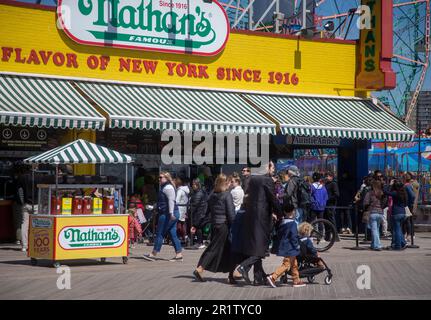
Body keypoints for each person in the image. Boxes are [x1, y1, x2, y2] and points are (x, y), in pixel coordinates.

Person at [236, 162, 281, 286]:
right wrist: (280, 213)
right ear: (267, 167)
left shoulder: (252, 179)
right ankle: (244, 267)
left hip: (251, 215)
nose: (274, 169)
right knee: (262, 247)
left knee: (257, 246)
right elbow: (273, 199)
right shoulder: (267, 180)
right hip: (262, 217)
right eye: (272, 167)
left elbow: (248, 195)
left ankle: (258, 278)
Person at [193, 174, 236, 282]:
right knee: (215, 249)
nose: (230, 184)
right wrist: (235, 226)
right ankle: (200, 268)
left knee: (229, 251)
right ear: (225, 183)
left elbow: (206, 212)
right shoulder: (227, 195)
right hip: (224, 226)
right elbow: (231, 214)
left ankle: (231, 276)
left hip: (215, 225)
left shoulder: (212, 195)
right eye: (229, 182)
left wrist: (197, 224)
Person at [143, 172, 183, 262]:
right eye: (159, 177)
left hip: (167, 214)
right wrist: (153, 207)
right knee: (172, 234)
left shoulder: (168, 187)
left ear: (167, 178)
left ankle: (153, 253)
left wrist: (171, 213)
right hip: (170, 213)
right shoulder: (165, 187)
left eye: (161, 177)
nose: (159, 179)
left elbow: (171, 201)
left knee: (160, 233)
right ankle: (179, 254)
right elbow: (163, 202)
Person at [266, 203, 306, 288]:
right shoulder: (293, 224)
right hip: (290, 248)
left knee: (294, 263)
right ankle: (273, 277)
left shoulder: (283, 222)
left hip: (285, 246)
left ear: (284, 211)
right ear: (293, 212)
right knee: (287, 264)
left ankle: (296, 280)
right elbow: (293, 236)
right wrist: (297, 246)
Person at [384, 179, 408, 250]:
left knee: (397, 230)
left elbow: (386, 192)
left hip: (396, 213)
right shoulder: (404, 193)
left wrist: (389, 185)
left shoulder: (395, 193)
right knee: (399, 229)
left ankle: (398, 246)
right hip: (403, 213)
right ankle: (403, 243)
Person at [363, 179, 385, 251]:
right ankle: (373, 244)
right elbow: (385, 202)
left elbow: (365, 202)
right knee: (377, 229)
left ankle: (377, 245)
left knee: (374, 230)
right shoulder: (382, 193)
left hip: (372, 212)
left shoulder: (370, 193)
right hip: (380, 213)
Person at [189, 179, 209, 249]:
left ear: (197, 185)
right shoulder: (199, 192)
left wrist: (190, 211)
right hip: (200, 212)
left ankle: (199, 242)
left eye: (193, 184)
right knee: (198, 227)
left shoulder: (199, 193)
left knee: (198, 227)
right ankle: (199, 242)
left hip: (199, 212)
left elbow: (195, 205)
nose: (192, 185)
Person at [324, 172, 340, 241]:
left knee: (331, 220)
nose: (326, 177)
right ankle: (327, 236)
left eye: (327, 176)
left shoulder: (333, 184)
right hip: (325, 205)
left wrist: (328, 198)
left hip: (331, 205)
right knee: (326, 220)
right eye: (325, 176)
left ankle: (335, 236)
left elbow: (337, 194)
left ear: (331, 177)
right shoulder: (326, 184)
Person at [175, 177, 190, 244]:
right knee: (183, 224)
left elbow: (176, 200)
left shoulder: (180, 190)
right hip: (184, 208)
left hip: (179, 209)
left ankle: (180, 237)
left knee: (179, 224)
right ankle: (185, 237)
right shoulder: (186, 190)